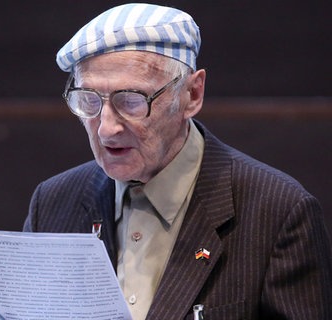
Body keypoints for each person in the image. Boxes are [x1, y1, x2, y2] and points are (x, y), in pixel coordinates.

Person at [23, 3, 332, 319]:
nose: (106, 128)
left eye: (131, 101)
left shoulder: (278, 212)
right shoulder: (53, 203)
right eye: (88, 101)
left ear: (192, 94)